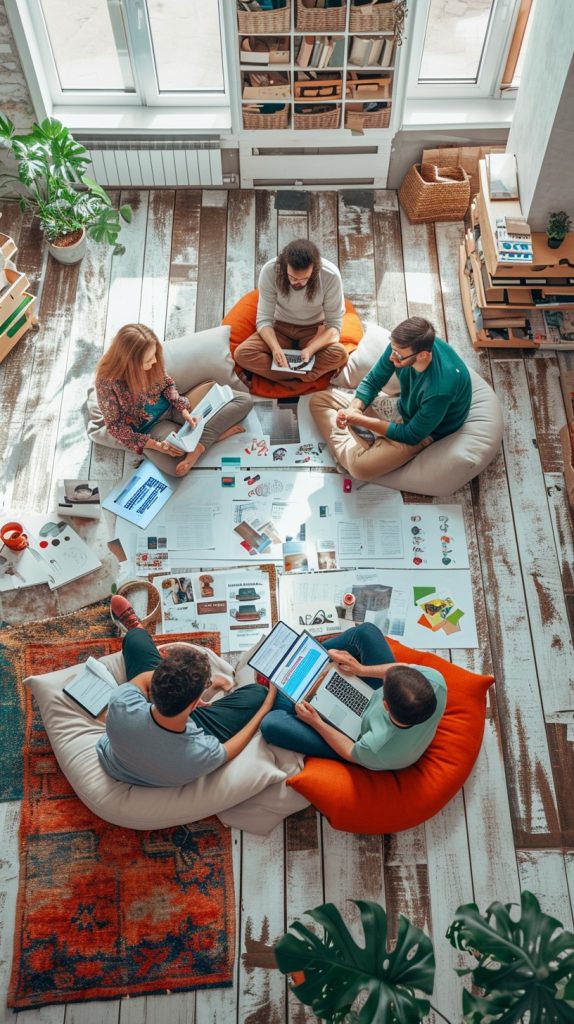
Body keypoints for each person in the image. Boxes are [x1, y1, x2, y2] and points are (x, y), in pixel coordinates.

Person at [96, 596, 276, 787]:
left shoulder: (121, 702)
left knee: (135, 637)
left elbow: (143, 679)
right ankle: (212, 688)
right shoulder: (200, 752)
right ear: (193, 704)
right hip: (180, 742)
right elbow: (231, 749)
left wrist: (169, 678)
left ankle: (136, 629)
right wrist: (266, 708)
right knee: (258, 694)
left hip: (123, 757)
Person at [260, 623, 446, 769]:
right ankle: (307, 658)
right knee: (366, 632)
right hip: (382, 709)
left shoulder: (376, 748)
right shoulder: (435, 682)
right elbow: (398, 669)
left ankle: (292, 670)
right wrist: (361, 669)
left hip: (357, 739)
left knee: (271, 723)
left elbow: (350, 751)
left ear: (385, 705)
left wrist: (316, 722)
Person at [310, 317, 472, 481]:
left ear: (423, 355)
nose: (393, 358)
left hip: (425, 431)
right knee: (319, 400)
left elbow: (412, 435)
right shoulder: (402, 347)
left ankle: (356, 452)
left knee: (360, 469)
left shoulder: (440, 388)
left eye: (399, 356)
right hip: (403, 405)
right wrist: (354, 410)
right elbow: (373, 380)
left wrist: (360, 421)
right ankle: (360, 448)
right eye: (393, 349)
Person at [95, 323, 253, 477]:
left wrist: (183, 411)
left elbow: (167, 384)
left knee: (243, 401)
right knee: (176, 468)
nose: (155, 362)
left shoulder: (154, 361)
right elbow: (116, 427)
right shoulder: (106, 383)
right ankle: (210, 437)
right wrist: (157, 446)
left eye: (154, 355)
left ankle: (200, 444)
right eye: (148, 360)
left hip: (174, 406)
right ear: (130, 364)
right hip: (152, 428)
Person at [233, 238, 348, 393]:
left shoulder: (330, 275)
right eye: (292, 277)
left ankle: (284, 378)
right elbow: (264, 319)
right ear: (284, 267)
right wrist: (275, 349)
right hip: (279, 328)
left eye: (305, 279)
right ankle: (304, 379)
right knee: (242, 354)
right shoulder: (270, 271)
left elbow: (334, 326)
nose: (297, 283)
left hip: (313, 330)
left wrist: (311, 350)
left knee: (340, 354)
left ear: (314, 269)